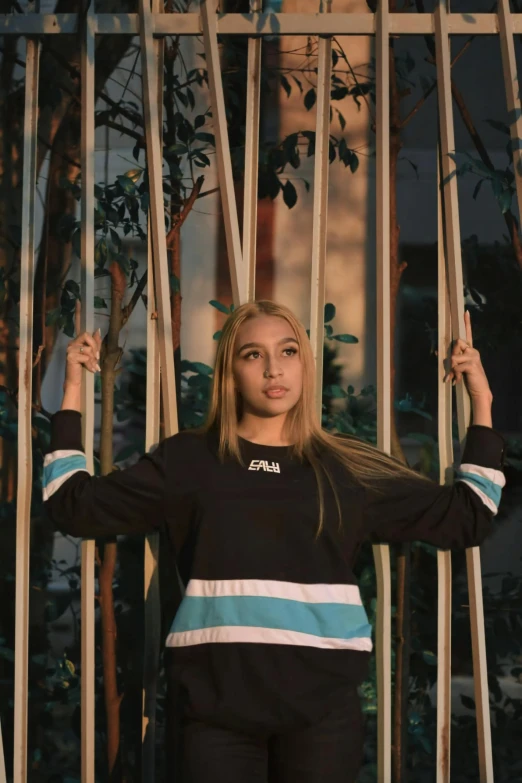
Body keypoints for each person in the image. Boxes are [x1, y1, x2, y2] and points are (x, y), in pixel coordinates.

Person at [43, 299, 505, 782]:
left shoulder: (346, 470)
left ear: (305, 365)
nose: (272, 369)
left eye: (287, 352)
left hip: (322, 718)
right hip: (214, 713)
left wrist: (483, 400)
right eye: (252, 355)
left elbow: (466, 516)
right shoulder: (188, 462)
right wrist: (73, 388)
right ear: (231, 373)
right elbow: (74, 505)